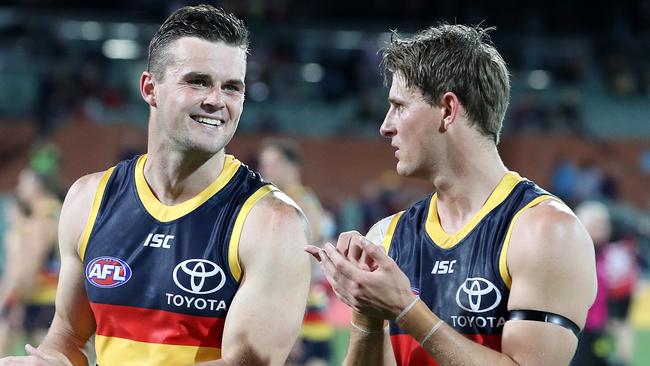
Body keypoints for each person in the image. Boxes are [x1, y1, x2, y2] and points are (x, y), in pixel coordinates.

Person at [1, 5, 310, 365]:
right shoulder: (89, 199)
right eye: (198, 81)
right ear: (150, 88)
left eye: (232, 88)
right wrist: (48, 361)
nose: (216, 101)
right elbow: (69, 337)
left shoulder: (272, 223)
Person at [306, 24, 597, 366]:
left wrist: (405, 308)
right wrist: (366, 312)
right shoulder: (386, 237)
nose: (385, 126)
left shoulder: (546, 231)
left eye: (399, 106)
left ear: (447, 110)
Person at [258, 138, 333, 365]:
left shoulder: (298, 204)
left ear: (293, 166)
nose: (266, 170)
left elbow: (304, 264)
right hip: (300, 308)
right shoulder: (285, 201)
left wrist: (291, 325)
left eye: (273, 163)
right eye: (264, 164)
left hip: (300, 310)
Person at [0, 168, 62, 355]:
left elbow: (28, 266)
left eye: (24, 183)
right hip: (48, 298)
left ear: (37, 186)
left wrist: (10, 299)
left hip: (44, 300)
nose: (19, 188)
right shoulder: (56, 211)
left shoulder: (41, 219)